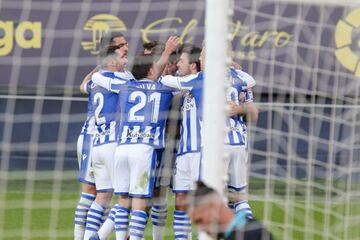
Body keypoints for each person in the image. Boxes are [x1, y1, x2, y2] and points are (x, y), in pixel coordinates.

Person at [90, 37, 179, 240]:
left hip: (122, 148)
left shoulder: (125, 86)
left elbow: (96, 78)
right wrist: (168, 52)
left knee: (122, 200)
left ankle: (105, 237)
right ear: (151, 71)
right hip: (144, 150)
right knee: (139, 201)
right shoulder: (165, 88)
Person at [74, 30, 129, 240]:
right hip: (100, 139)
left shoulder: (97, 79)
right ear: (111, 52)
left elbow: (82, 86)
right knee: (118, 195)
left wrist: (98, 68)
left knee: (100, 195)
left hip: (96, 140)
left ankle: (86, 237)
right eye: (121, 45)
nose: (126, 48)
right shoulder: (120, 78)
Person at [188, 181, 273, 240]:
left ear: (214, 207)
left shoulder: (249, 234)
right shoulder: (251, 224)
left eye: (200, 220)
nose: (201, 228)